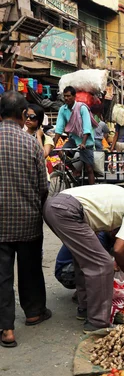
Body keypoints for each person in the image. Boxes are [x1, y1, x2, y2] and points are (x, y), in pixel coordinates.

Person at [43, 184, 124, 333]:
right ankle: (97, 323)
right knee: (102, 265)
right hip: (66, 209)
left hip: (55, 205)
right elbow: (119, 248)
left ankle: (85, 309)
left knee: (84, 260)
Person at [0, 91, 50, 348]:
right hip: (28, 219)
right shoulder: (31, 143)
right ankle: (33, 312)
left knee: (2, 276)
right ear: (23, 115)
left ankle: (7, 329)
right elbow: (44, 186)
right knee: (30, 270)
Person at [53, 86, 96, 185]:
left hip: (86, 140)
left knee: (89, 168)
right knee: (61, 153)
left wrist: (84, 143)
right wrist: (54, 144)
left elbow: (87, 127)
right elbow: (59, 128)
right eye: (65, 96)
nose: (67, 98)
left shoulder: (82, 108)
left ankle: (93, 190)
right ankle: (74, 170)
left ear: (74, 96)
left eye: (69, 96)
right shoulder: (62, 110)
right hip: (73, 139)